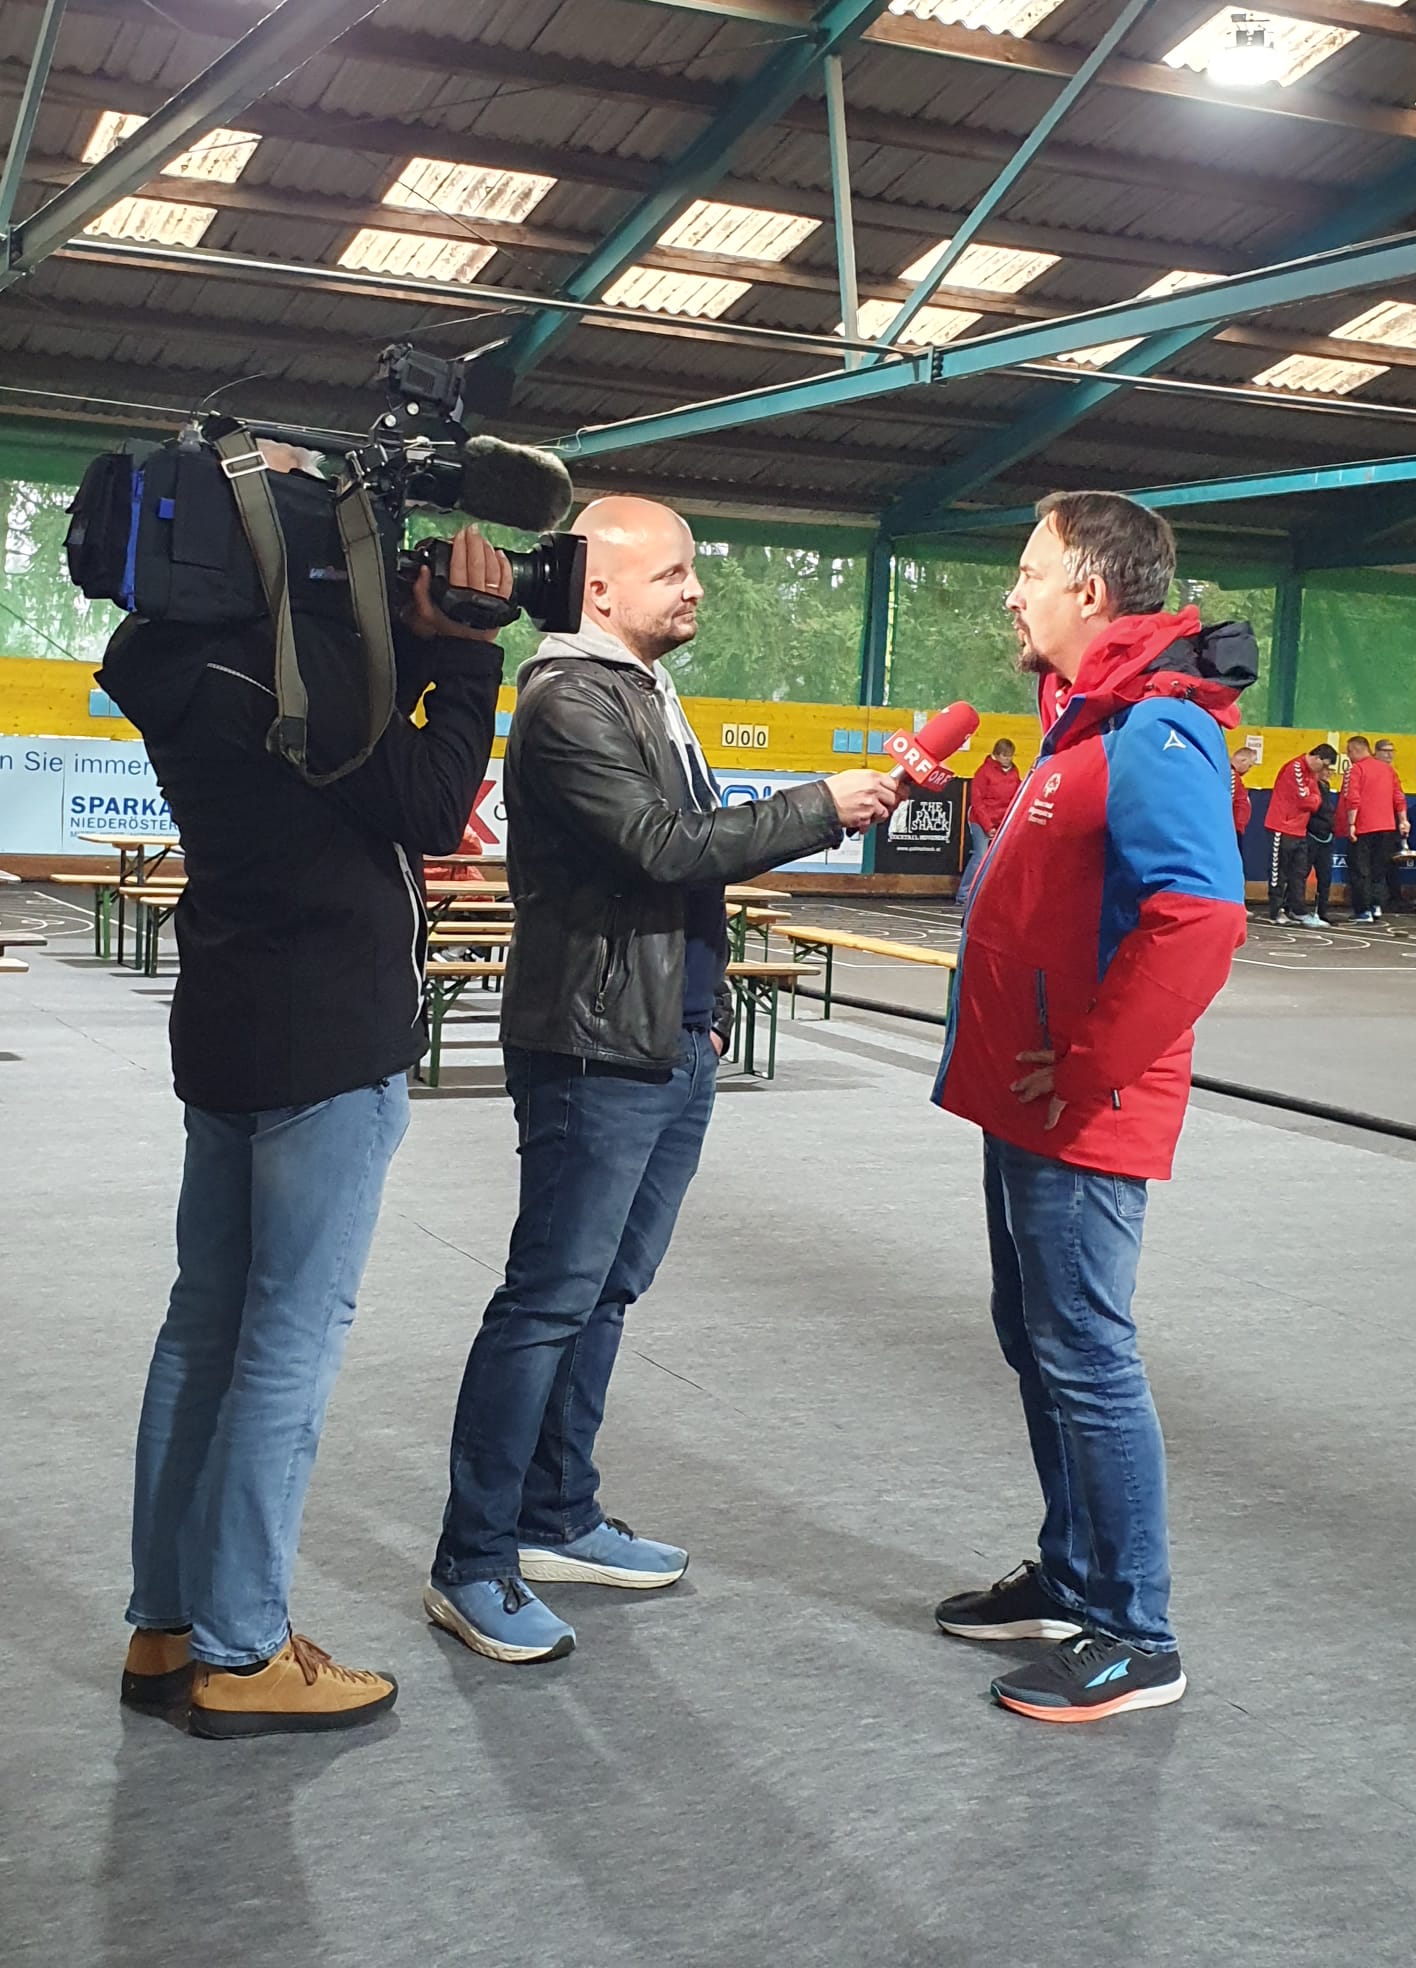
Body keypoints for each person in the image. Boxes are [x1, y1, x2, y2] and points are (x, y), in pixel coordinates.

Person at [426, 495, 900, 1666]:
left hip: (663, 1040)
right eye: (673, 572)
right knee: (548, 1300)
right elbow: (666, 847)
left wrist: (707, 1010)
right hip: (593, 1050)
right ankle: (472, 1561)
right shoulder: (567, 699)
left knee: (605, 1293)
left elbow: (681, 874)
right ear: (598, 587)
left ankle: (556, 1515)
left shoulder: (642, 687)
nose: (695, 589)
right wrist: (821, 806)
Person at [100, 511, 515, 1738]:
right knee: (288, 1342)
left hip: (226, 1018)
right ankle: (243, 1650)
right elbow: (431, 805)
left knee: (202, 1331)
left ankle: (167, 1625)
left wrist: (404, 637)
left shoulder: (180, 656)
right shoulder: (300, 676)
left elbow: (352, 774)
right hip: (326, 1035)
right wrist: (467, 653)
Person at [931, 490, 1254, 1724]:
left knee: (1085, 1354)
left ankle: (1135, 1632)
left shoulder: (1156, 730)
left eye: (1030, 570)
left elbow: (1200, 919)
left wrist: (1085, 1064)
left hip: (1080, 1111)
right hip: (1032, 1105)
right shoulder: (1088, 723)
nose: (1013, 592)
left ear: (1091, 591)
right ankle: (1071, 1578)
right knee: (1040, 1341)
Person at [1264, 742, 1337, 927]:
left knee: (1298, 873)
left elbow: (1316, 800)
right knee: (1278, 872)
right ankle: (1276, 911)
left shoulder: (1311, 774)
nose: (1323, 770)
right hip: (1282, 827)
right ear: (1317, 757)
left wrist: (1312, 798)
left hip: (1300, 829)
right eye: (1324, 765)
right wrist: (1312, 798)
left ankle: (1298, 910)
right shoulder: (1295, 767)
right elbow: (1306, 800)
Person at [1338, 735, 1407, 924]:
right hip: (1387, 827)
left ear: (1355, 750)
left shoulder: (1356, 769)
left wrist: (1351, 824)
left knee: (1360, 870)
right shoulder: (1388, 770)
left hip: (1363, 827)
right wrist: (1403, 820)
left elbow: (1353, 798)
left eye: (1349, 751)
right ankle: (1376, 905)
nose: (1348, 755)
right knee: (1378, 869)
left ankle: (1363, 910)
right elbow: (1398, 796)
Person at [958, 738, 1021, 903]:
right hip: (981, 820)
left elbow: (1017, 796)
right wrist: (988, 826)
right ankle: (963, 895)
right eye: (1005, 756)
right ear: (997, 755)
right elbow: (977, 802)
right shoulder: (984, 772)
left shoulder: (1014, 773)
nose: (1008, 759)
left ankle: (990, 895)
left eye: (1010, 756)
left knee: (1001, 859)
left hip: (1002, 821)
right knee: (980, 856)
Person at [1373, 739, 1414, 912]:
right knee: (1375, 864)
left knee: (1391, 863)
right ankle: (1375, 901)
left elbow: (1398, 798)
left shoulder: (1392, 773)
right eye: (1385, 751)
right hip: (1373, 825)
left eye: (1392, 751)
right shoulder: (1370, 770)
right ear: (1376, 752)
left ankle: (1392, 898)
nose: (1389, 754)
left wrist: (1403, 820)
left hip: (1390, 825)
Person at [1303, 757, 1337, 923]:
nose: (1329, 773)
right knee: (1301, 873)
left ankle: (1322, 911)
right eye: (1326, 769)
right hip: (1311, 836)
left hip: (1326, 837)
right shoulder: (1310, 785)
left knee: (1325, 876)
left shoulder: (1326, 786)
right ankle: (1292, 907)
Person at [1230, 744, 1256, 863]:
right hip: (1232, 829)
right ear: (1243, 760)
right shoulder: (1232, 775)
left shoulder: (1235, 776)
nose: (1248, 770)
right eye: (1249, 765)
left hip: (1236, 827)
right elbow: (1228, 800)